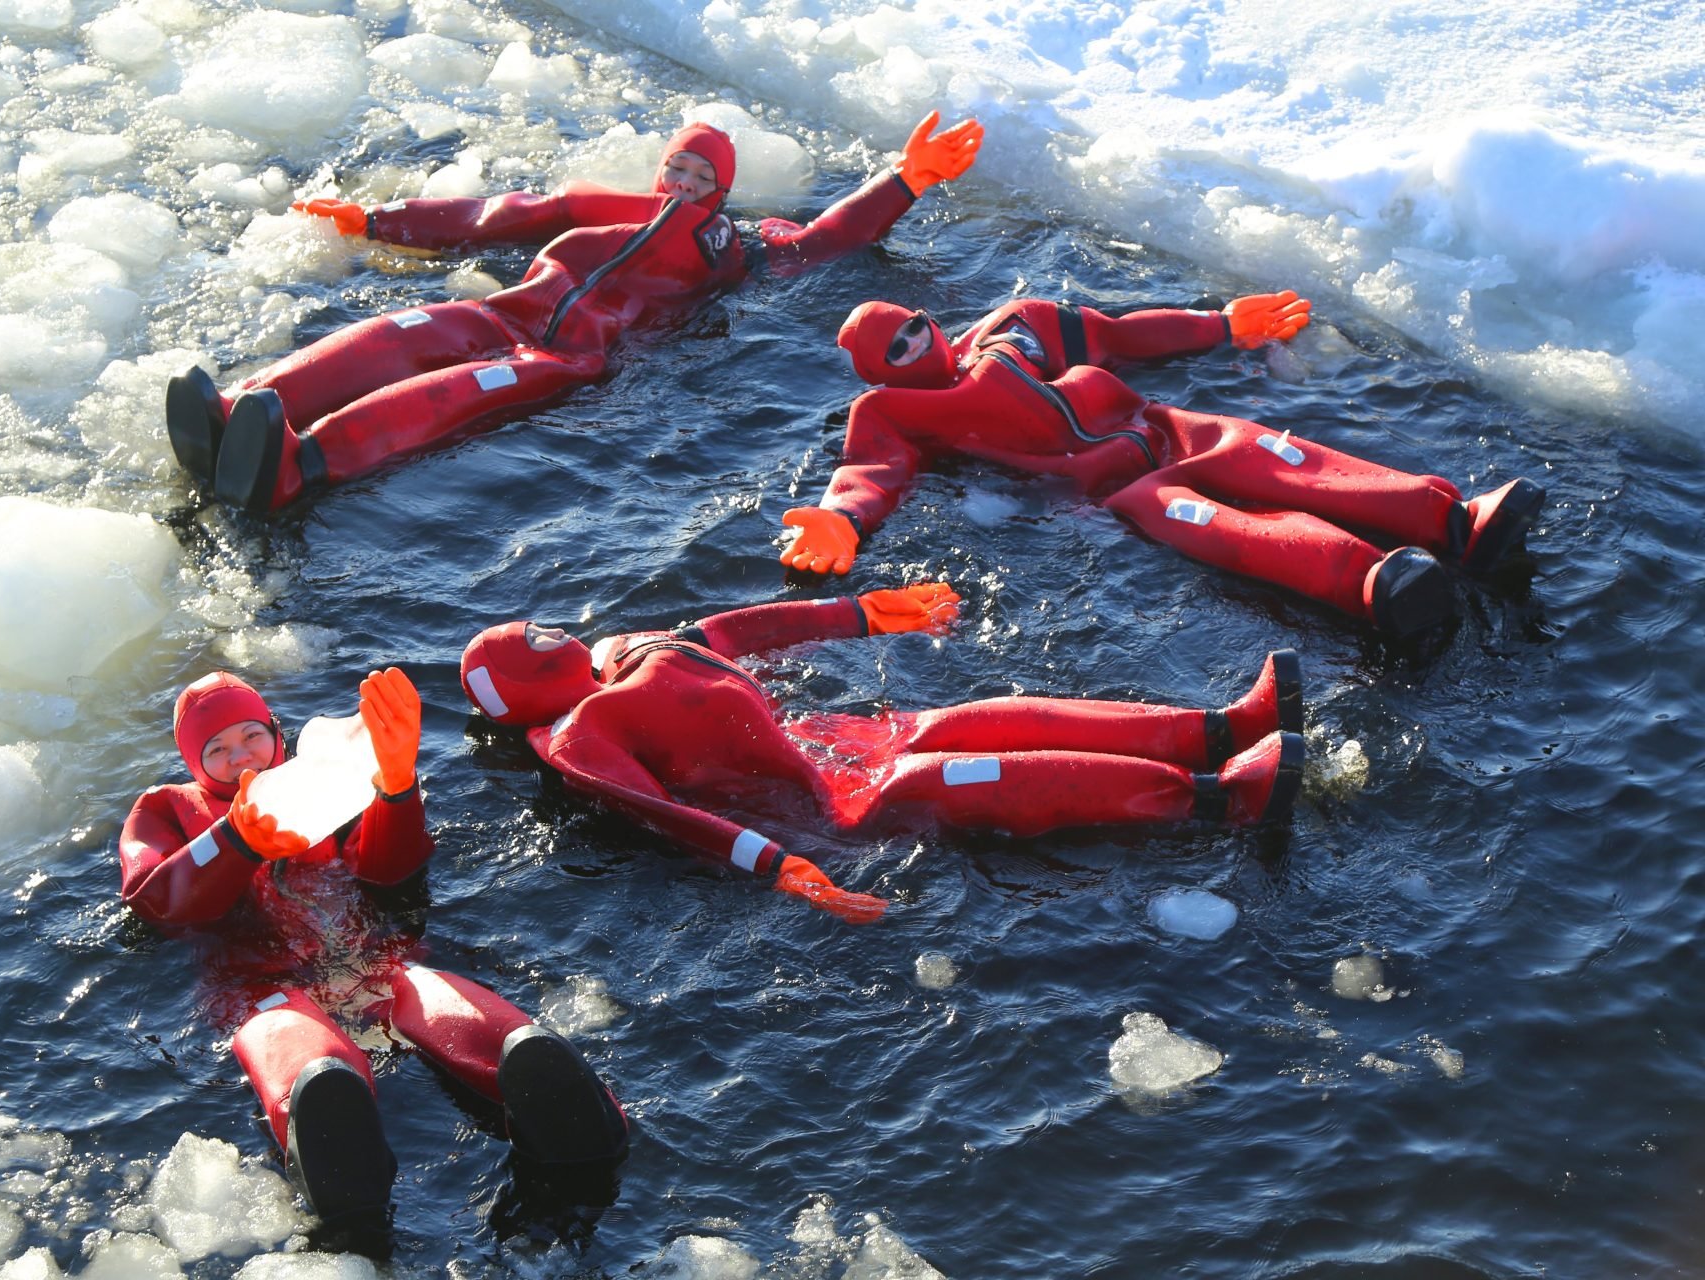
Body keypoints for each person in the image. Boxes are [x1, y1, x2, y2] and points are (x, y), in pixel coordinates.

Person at [168, 113, 985, 513]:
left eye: (703, 177)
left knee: (442, 397)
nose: (685, 184)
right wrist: (379, 221)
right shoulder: (606, 204)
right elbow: (498, 215)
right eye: (678, 168)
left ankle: (296, 466)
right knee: (392, 334)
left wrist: (905, 180)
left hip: (566, 361)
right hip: (503, 317)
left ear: (725, 191)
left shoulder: (735, 250)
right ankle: (242, 411)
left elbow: (828, 237)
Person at [118, 667, 628, 1253]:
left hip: (370, 962)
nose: (241, 758)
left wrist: (396, 784)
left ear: (276, 733)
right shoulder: (167, 810)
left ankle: (568, 1110)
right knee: (315, 1071)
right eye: (218, 750)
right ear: (194, 764)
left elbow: (390, 870)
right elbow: (153, 900)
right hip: (262, 986)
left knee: (477, 1022)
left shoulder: (317, 782)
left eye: (251, 736)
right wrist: (234, 839)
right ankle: (340, 1174)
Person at [458, 585, 1305, 924]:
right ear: (523, 683)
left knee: (972, 719)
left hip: (837, 748)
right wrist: (786, 867)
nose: (553, 630)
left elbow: (746, 631)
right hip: (825, 810)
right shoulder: (578, 741)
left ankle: (1222, 725)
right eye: (532, 640)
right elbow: (667, 815)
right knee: (945, 776)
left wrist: (868, 611)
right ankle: (1223, 797)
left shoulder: (623, 651)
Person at [777, 293, 1547, 638]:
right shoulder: (892, 411)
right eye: (898, 349)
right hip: (1120, 488)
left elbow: (1122, 333)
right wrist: (845, 519)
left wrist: (1218, 324)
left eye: (915, 326)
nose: (919, 343)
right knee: (1227, 528)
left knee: (1287, 460)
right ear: (880, 371)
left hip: (1168, 430)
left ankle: (1452, 519)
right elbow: (872, 468)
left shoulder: (1016, 326)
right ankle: (1370, 583)